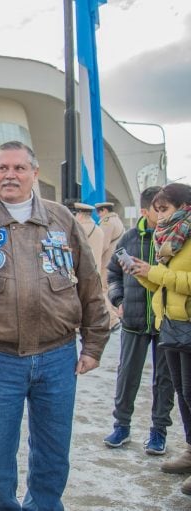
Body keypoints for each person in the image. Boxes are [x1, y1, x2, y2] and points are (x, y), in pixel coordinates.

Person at [0, 140, 109, 510]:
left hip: (58, 358)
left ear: (35, 174)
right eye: (2, 168)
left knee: (53, 451)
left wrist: (95, 343)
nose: (10, 175)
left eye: (19, 168)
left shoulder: (61, 219)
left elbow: (89, 280)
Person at [128, 183, 191, 495]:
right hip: (171, 324)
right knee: (182, 394)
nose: (159, 215)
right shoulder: (168, 240)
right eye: (157, 209)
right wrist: (141, 272)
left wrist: (156, 272)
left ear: (183, 207)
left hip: (189, 325)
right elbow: (160, 286)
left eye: (164, 209)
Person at [103, 186, 174, 455]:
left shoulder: (173, 240)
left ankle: (159, 431)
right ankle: (121, 425)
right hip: (133, 320)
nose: (164, 214)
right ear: (145, 211)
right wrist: (118, 301)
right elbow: (112, 273)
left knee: (164, 378)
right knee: (127, 374)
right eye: (159, 209)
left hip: (166, 321)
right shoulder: (129, 239)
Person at [97, 201, 127, 330]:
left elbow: (102, 244)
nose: (98, 215)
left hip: (107, 261)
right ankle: (116, 314)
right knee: (112, 288)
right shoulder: (117, 220)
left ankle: (113, 319)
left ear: (104, 210)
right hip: (117, 259)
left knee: (103, 289)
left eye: (99, 212)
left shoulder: (107, 222)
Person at [73, 202, 106, 273]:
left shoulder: (79, 229)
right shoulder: (99, 229)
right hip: (96, 271)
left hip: (83, 272)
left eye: (76, 214)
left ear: (80, 215)